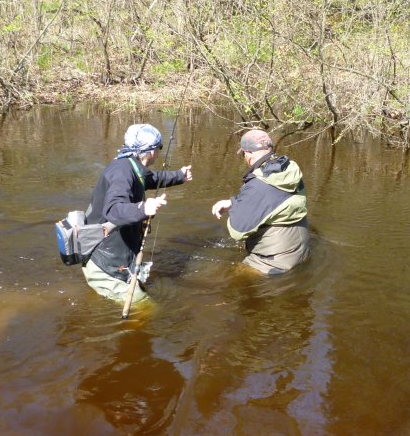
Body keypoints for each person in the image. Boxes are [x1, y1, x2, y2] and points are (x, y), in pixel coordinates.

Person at [83, 123, 193, 304]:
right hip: (105, 264)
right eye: (159, 147)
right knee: (146, 310)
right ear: (151, 151)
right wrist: (144, 208)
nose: (159, 152)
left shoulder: (130, 165)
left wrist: (179, 175)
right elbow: (113, 209)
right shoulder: (122, 172)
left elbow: (150, 179)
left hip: (112, 255)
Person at [211, 129, 310, 274]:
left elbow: (237, 231)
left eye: (243, 154)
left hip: (272, 264)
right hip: (301, 251)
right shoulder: (288, 169)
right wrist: (233, 202)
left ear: (248, 153)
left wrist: (235, 208)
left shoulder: (259, 184)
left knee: (221, 278)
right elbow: (273, 199)